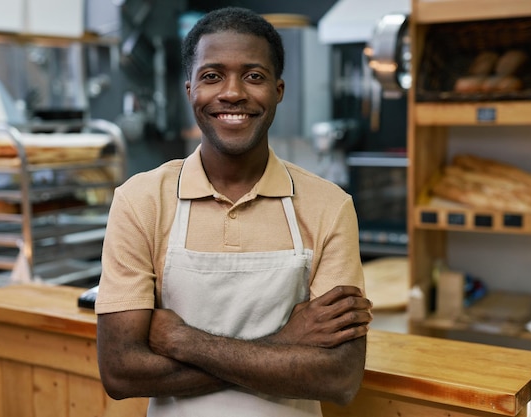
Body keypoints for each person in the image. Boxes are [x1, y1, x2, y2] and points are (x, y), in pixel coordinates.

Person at [95, 6, 373, 416]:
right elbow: (121, 372)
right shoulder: (141, 201)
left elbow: (339, 377)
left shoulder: (329, 206)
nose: (232, 93)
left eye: (253, 76)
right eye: (212, 76)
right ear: (189, 88)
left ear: (278, 90)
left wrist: (184, 341)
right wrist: (285, 343)